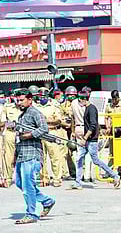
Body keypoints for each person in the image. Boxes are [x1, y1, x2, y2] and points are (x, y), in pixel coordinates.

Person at [13, 89, 55, 224]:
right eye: (17, 100)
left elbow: (44, 129)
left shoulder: (35, 113)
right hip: (22, 154)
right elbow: (18, 137)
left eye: (22, 100)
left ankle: (31, 214)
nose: (19, 103)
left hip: (32, 155)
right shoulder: (22, 116)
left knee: (28, 186)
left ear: (30, 100)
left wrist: (29, 135)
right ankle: (47, 201)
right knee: (20, 183)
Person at [71, 91, 121, 190]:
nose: (79, 102)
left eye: (80, 100)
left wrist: (85, 138)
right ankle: (78, 182)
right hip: (87, 139)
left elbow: (93, 125)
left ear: (84, 99)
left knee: (96, 160)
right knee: (79, 159)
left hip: (91, 140)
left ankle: (115, 176)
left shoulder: (91, 109)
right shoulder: (87, 108)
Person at [36, 88, 63, 187]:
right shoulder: (35, 107)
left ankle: (57, 179)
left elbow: (58, 120)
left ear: (48, 96)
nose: (42, 98)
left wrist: (46, 121)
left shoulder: (54, 106)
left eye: (44, 96)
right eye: (41, 96)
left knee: (55, 157)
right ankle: (44, 179)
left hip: (51, 132)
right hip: (40, 134)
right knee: (41, 158)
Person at [3, 89, 22, 187]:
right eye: (15, 96)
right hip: (11, 133)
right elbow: (3, 122)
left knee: (24, 157)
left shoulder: (28, 108)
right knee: (8, 157)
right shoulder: (7, 107)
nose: (17, 99)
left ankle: (24, 178)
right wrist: (12, 124)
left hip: (23, 134)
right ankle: (8, 178)